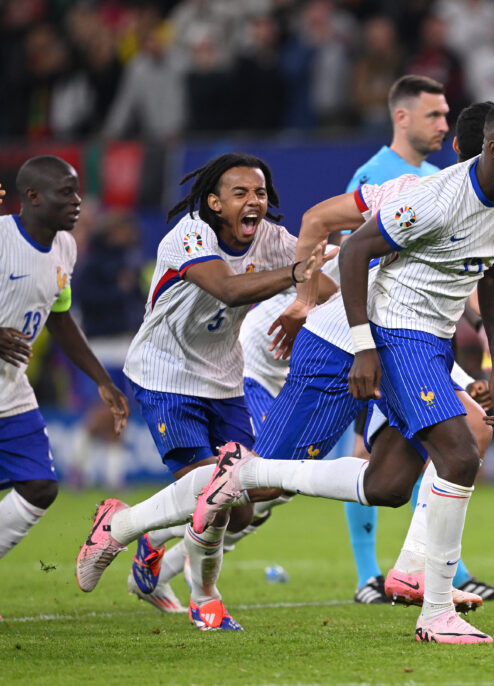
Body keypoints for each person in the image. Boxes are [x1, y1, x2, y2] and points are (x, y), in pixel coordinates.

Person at [194, 99, 494, 643]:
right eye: (431, 113)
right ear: (484, 148)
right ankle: (149, 529)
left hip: (418, 338)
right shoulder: (411, 188)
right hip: (359, 333)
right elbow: (332, 233)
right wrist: (309, 303)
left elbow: (484, 278)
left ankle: (412, 576)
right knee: (271, 487)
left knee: (400, 476)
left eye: (445, 115)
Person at [74, 153, 329, 630]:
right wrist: (298, 278)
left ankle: (130, 530)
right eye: (240, 193)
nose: (254, 201)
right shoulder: (190, 235)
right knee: (215, 492)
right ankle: (204, 599)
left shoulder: (271, 238)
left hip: (225, 380)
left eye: (259, 192)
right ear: (213, 202)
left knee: (238, 510)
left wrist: (334, 291)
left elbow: (321, 277)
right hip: (165, 373)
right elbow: (229, 289)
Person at [340, 74, 451, 604]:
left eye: (447, 114)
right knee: (370, 452)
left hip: (425, 330)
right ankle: (368, 575)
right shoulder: (372, 175)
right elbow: (347, 255)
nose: (444, 125)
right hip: (379, 334)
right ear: (401, 117)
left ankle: (434, 567)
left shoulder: (439, 176)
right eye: (433, 115)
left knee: (430, 446)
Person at [0, 160, 129, 602]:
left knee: (39, 487)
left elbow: (60, 317)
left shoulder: (66, 249)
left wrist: (100, 379)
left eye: (77, 193)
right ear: (32, 197)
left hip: (11, 389)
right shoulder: (1, 239)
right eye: (65, 193)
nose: (77, 202)